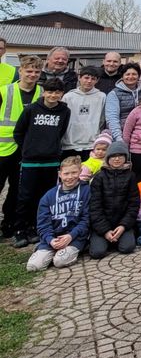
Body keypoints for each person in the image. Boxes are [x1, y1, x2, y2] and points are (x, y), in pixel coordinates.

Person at [12, 78, 71, 247]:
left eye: (57, 92)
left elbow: (61, 132)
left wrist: (51, 148)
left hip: (51, 161)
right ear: (44, 92)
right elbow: (19, 132)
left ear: (62, 94)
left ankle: (35, 227)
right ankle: (20, 229)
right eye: (50, 92)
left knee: (44, 197)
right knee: (25, 196)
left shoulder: (64, 111)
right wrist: (28, 150)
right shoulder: (31, 109)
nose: (53, 95)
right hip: (31, 161)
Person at [0, 55, 43, 239]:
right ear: (21, 71)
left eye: (36, 71)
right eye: (29, 70)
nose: (32, 74)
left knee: (17, 190)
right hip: (3, 148)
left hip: (28, 150)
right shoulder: (4, 91)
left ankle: (9, 222)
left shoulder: (42, 92)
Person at [27, 155, 90, 272]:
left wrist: (71, 236)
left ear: (80, 172)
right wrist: (50, 240)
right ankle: (48, 252)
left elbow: (86, 220)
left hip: (75, 237)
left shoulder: (87, 191)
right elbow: (42, 224)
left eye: (74, 173)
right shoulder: (48, 196)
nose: (70, 177)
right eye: (66, 173)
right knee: (33, 267)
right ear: (60, 174)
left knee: (59, 261)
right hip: (53, 238)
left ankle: (79, 248)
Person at [87, 140, 139, 258]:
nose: (117, 159)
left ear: (125, 157)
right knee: (97, 252)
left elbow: (134, 204)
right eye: (113, 156)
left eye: (120, 156)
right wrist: (105, 230)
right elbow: (94, 207)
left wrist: (123, 226)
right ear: (108, 158)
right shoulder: (99, 177)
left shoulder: (131, 176)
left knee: (127, 248)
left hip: (122, 223)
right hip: (102, 224)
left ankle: (120, 237)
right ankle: (105, 239)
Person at [61, 65, 107, 161]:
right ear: (79, 78)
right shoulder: (68, 97)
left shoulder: (102, 97)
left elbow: (103, 120)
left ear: (97, 80)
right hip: (70, 144)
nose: (89, 81)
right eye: (86, 77)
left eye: (93, 79)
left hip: (92, 145)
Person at [105, 62, 141, 140]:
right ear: (122, 76)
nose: (131, 77)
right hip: (122, 135)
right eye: (127, 74)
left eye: (134, 74)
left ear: (139, 76)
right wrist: (119, 138)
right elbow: (112, 118)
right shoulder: (114, 94)